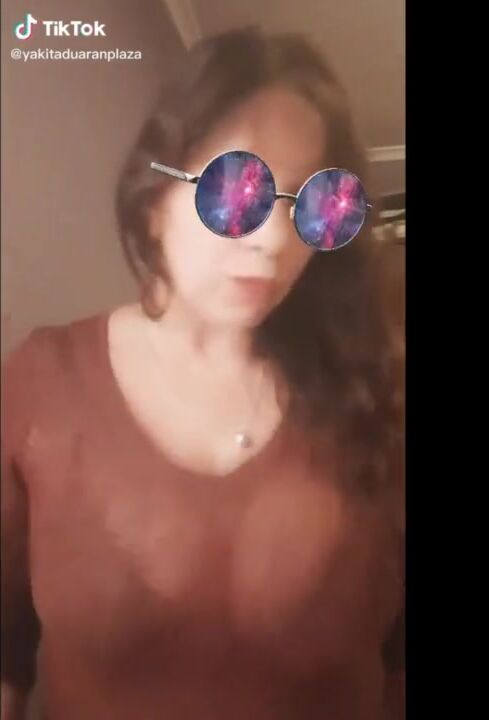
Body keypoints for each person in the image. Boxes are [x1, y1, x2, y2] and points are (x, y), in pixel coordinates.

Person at [1, 26, 404, 720]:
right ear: (154, 198)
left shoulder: (378, 392)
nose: (274, 239)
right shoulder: (43, 384)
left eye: (315, 203)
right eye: (238, 189)